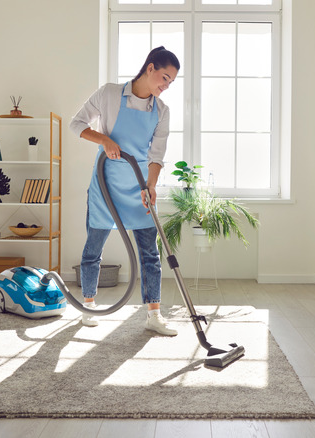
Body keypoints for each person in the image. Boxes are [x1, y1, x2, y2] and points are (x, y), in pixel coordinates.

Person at [69, 46, 180, 335]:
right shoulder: (108, 94)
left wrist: (151, 186)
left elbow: (156, 156)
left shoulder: (162, 112)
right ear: (150, 68)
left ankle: (154, 315)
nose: (166, 86)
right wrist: (104, 139)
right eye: (165, 78)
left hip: (140, 186)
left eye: (171, 83)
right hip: (106, 183)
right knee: (94, 248)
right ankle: (89, 305)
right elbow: (76, 124)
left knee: (150, 254)